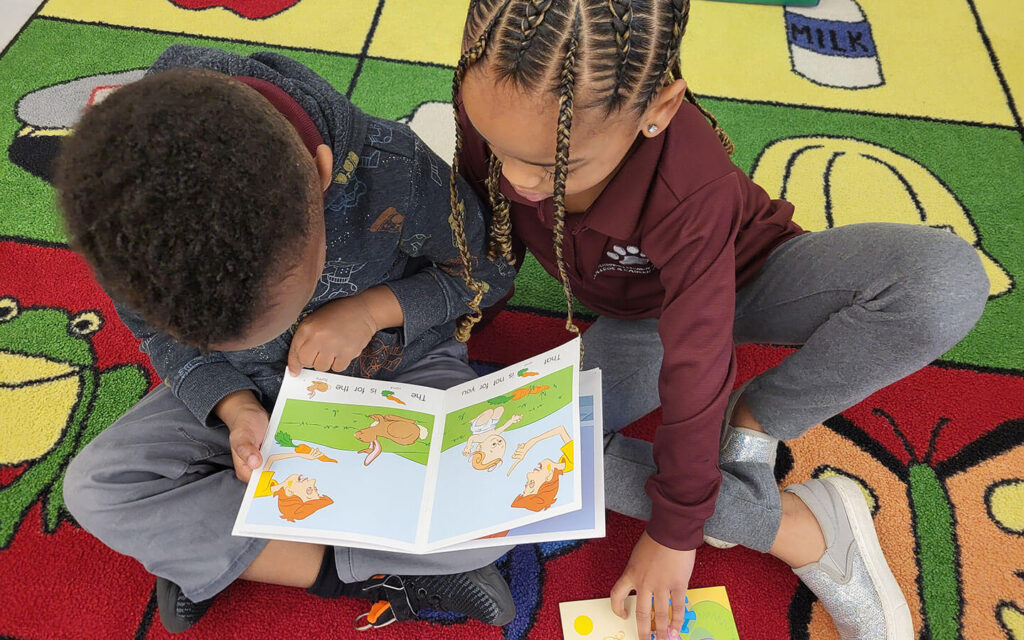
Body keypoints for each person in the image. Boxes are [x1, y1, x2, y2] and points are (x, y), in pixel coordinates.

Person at [445, 2, 990, 639]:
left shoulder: (690, 180)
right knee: (494, 449)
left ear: (660, 109)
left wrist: (674, 532)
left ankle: (756, 422)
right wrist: (452, 327)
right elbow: (480, 229)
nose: (516, 180)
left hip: (753, 273)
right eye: (500, 149)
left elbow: (698, 357)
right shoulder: (499, 91)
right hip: (642, 318)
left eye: (555, 165)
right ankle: (794, 525)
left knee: (944, 283)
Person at [57, 45, 518, 633]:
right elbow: (157, 337)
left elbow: (487, 272)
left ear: (321, 175)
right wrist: (236, 406)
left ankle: (215, 554)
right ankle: (355, 571)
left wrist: (371, 310)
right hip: (250, 392)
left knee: (495, 515)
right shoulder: (123, 222)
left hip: (403, 368)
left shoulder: (396, 169)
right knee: (95, 489)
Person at [508, 424, 574, 512]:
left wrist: (530, 443)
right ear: (548, 477)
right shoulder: (573, 460)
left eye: (526, 483)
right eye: (531, 483)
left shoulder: (566, 463)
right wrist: (533, 441)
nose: (528, 475)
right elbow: (560, 430)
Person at [462, 406, 523, 470]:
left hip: (479, 427)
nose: (497, 441)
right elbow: (504, 427)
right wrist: (512, 420)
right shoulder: (495, 434)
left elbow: (471, 438)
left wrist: (468, 447)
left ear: (479, 447)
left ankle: (474, 421)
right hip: (492, 424)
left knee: (489, 412)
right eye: (500, 441)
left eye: (494, 444)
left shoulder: (482, 438)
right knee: (500, 409)